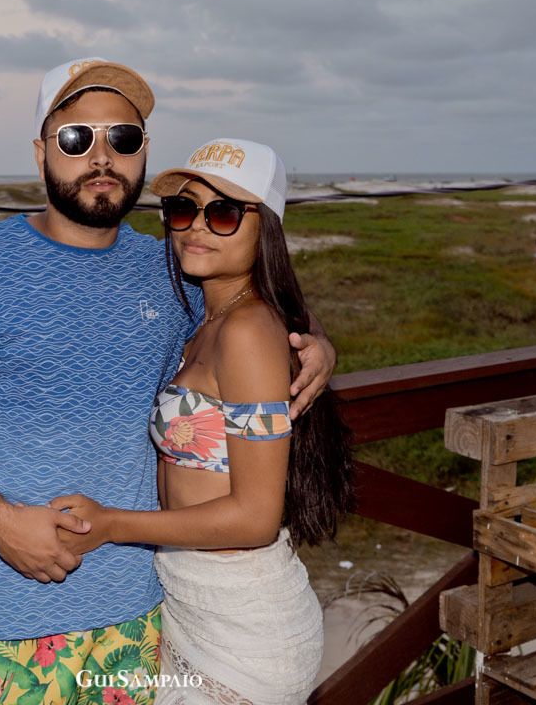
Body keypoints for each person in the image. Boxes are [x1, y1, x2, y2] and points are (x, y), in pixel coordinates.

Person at [0, 59, 337, 705]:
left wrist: (318, 343)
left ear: (143, 150)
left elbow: (258, 301)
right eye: (76, 138)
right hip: (5, 621)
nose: (101, 157)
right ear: (40, 152)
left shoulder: (172, 269)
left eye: (122, 138)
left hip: (141, 617)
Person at [51, 139, 356, 704]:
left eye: (223, 213)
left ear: (266, 228)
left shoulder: (246, 331)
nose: (196, 226)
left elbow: (255, 518)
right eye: (183, 209)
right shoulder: (208, 315)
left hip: (244, 624)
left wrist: (112, 524)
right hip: (194, 605)